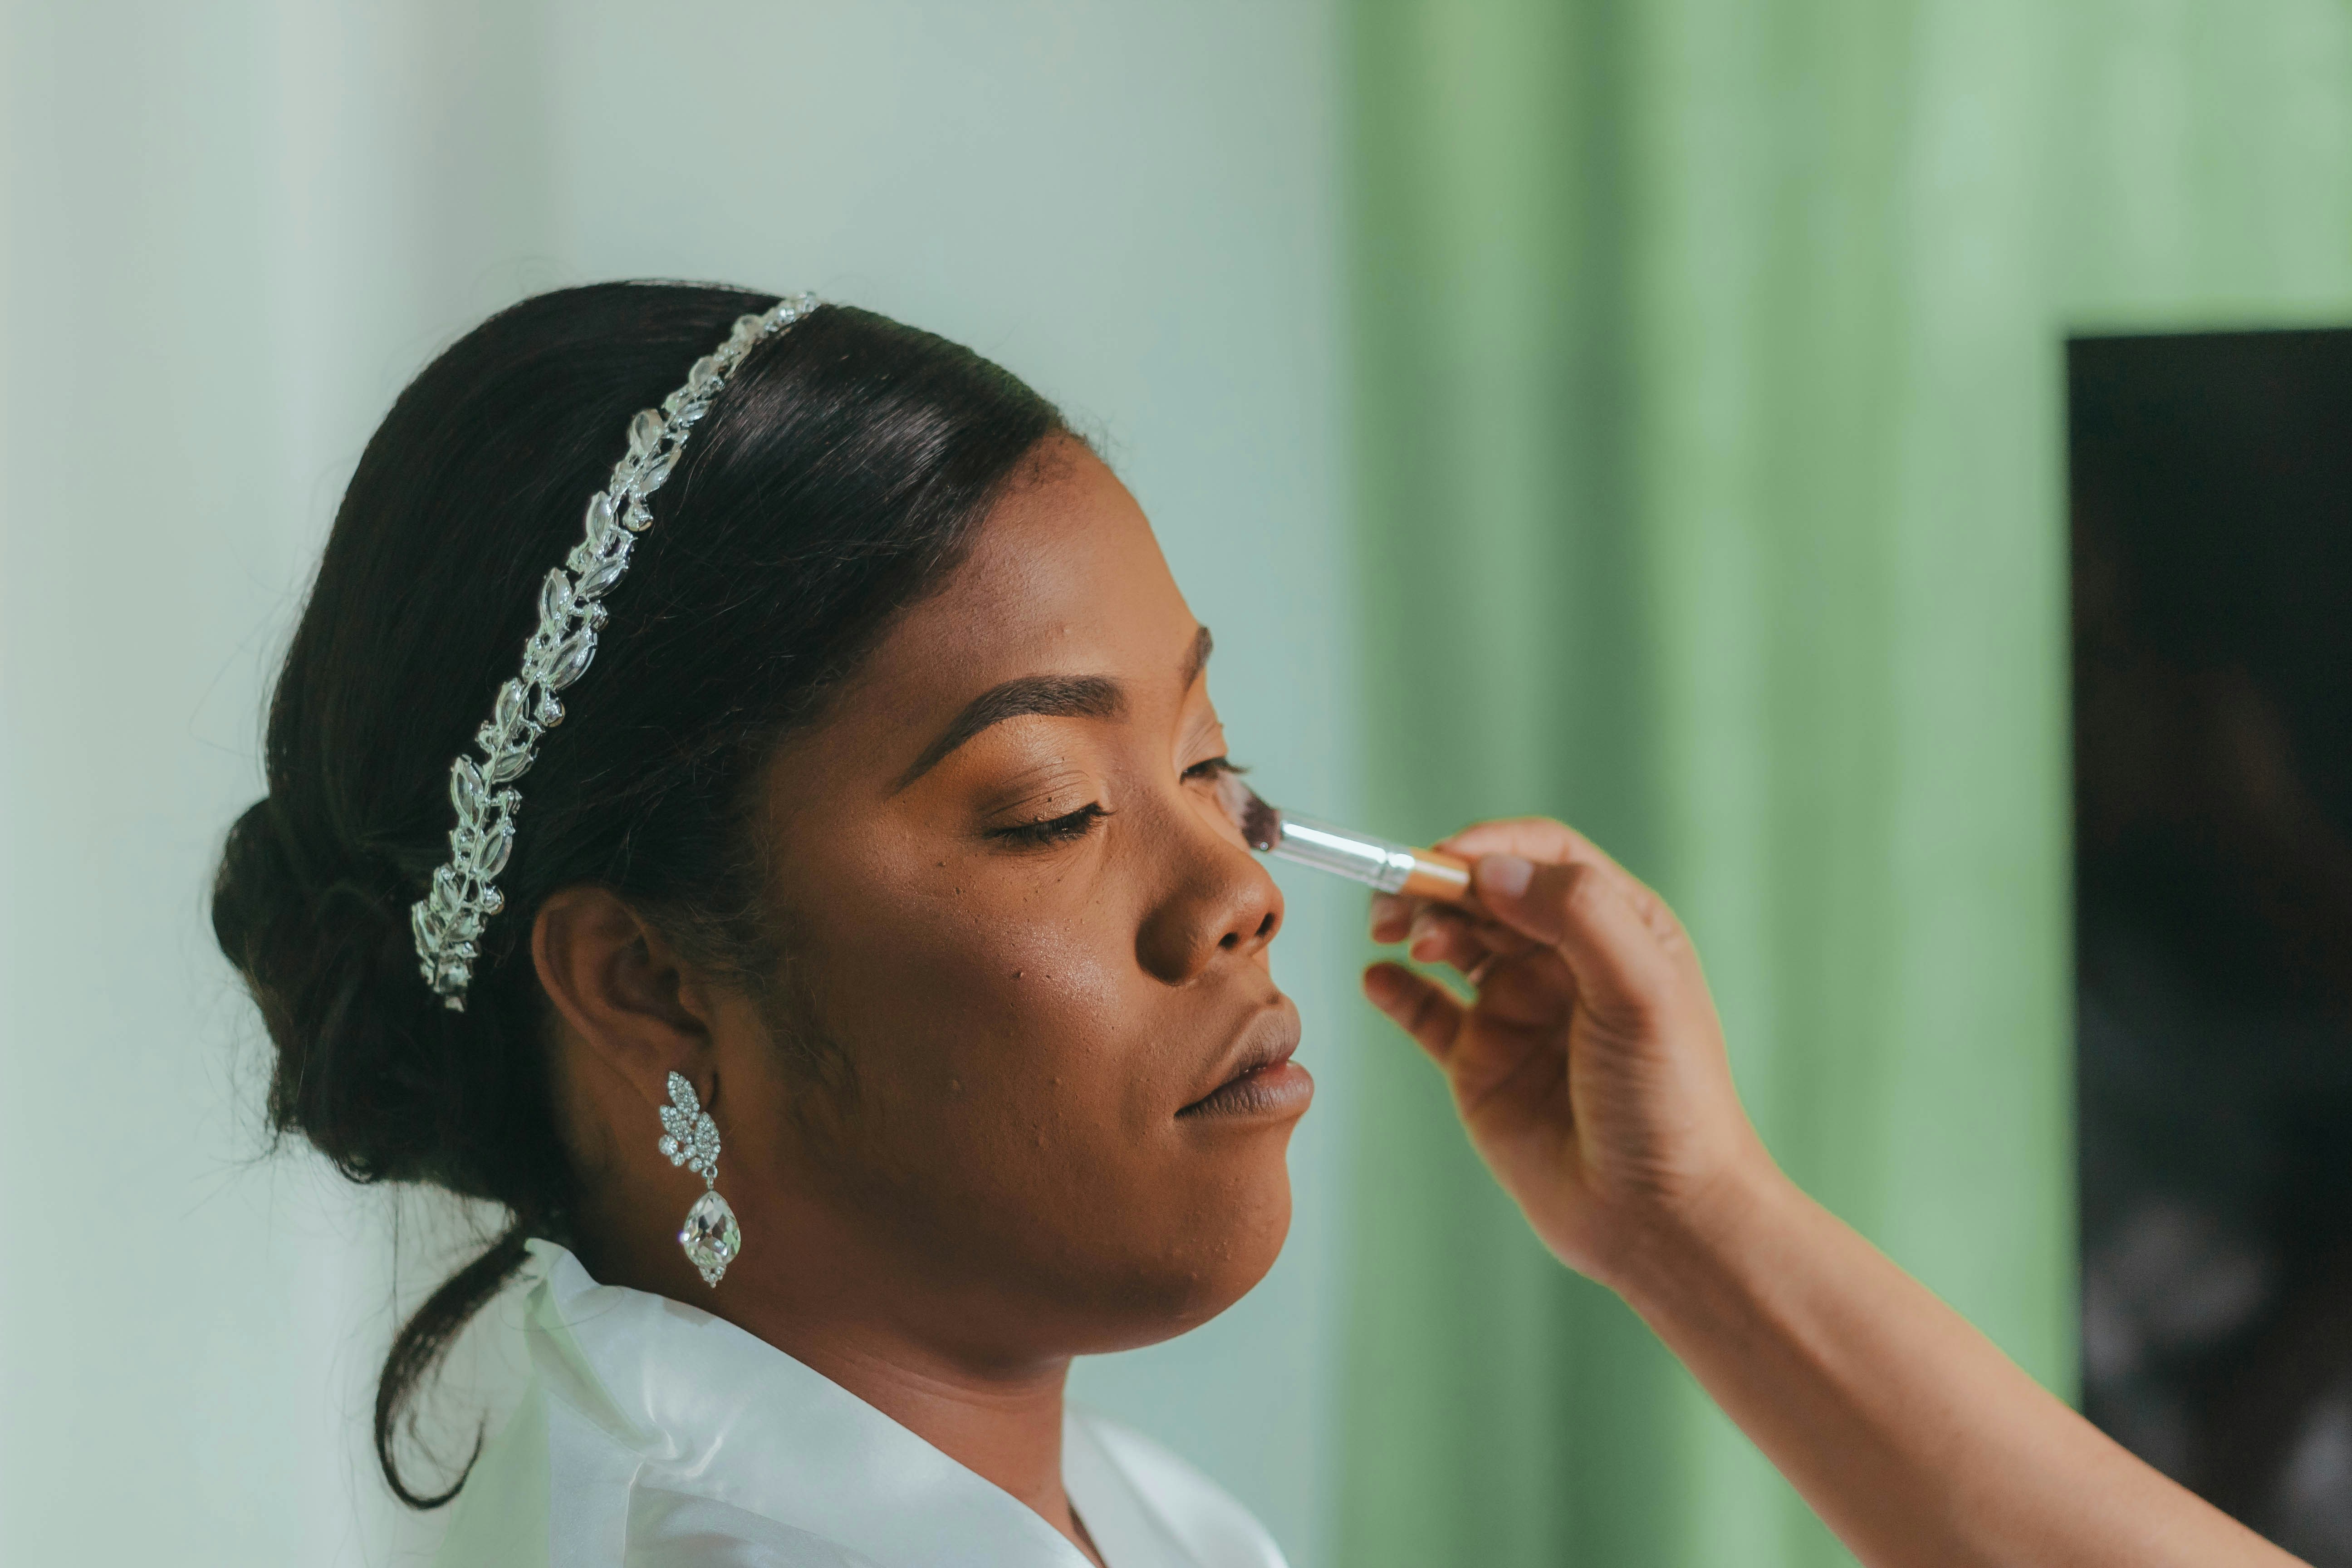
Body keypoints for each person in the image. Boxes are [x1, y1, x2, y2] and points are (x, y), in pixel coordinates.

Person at [211, 282, 2301, 1567]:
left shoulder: (1143, 1519)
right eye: (1046, 810)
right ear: (650, 978)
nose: (1230, 891)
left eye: (1212, 763)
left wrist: (1696, 1218)